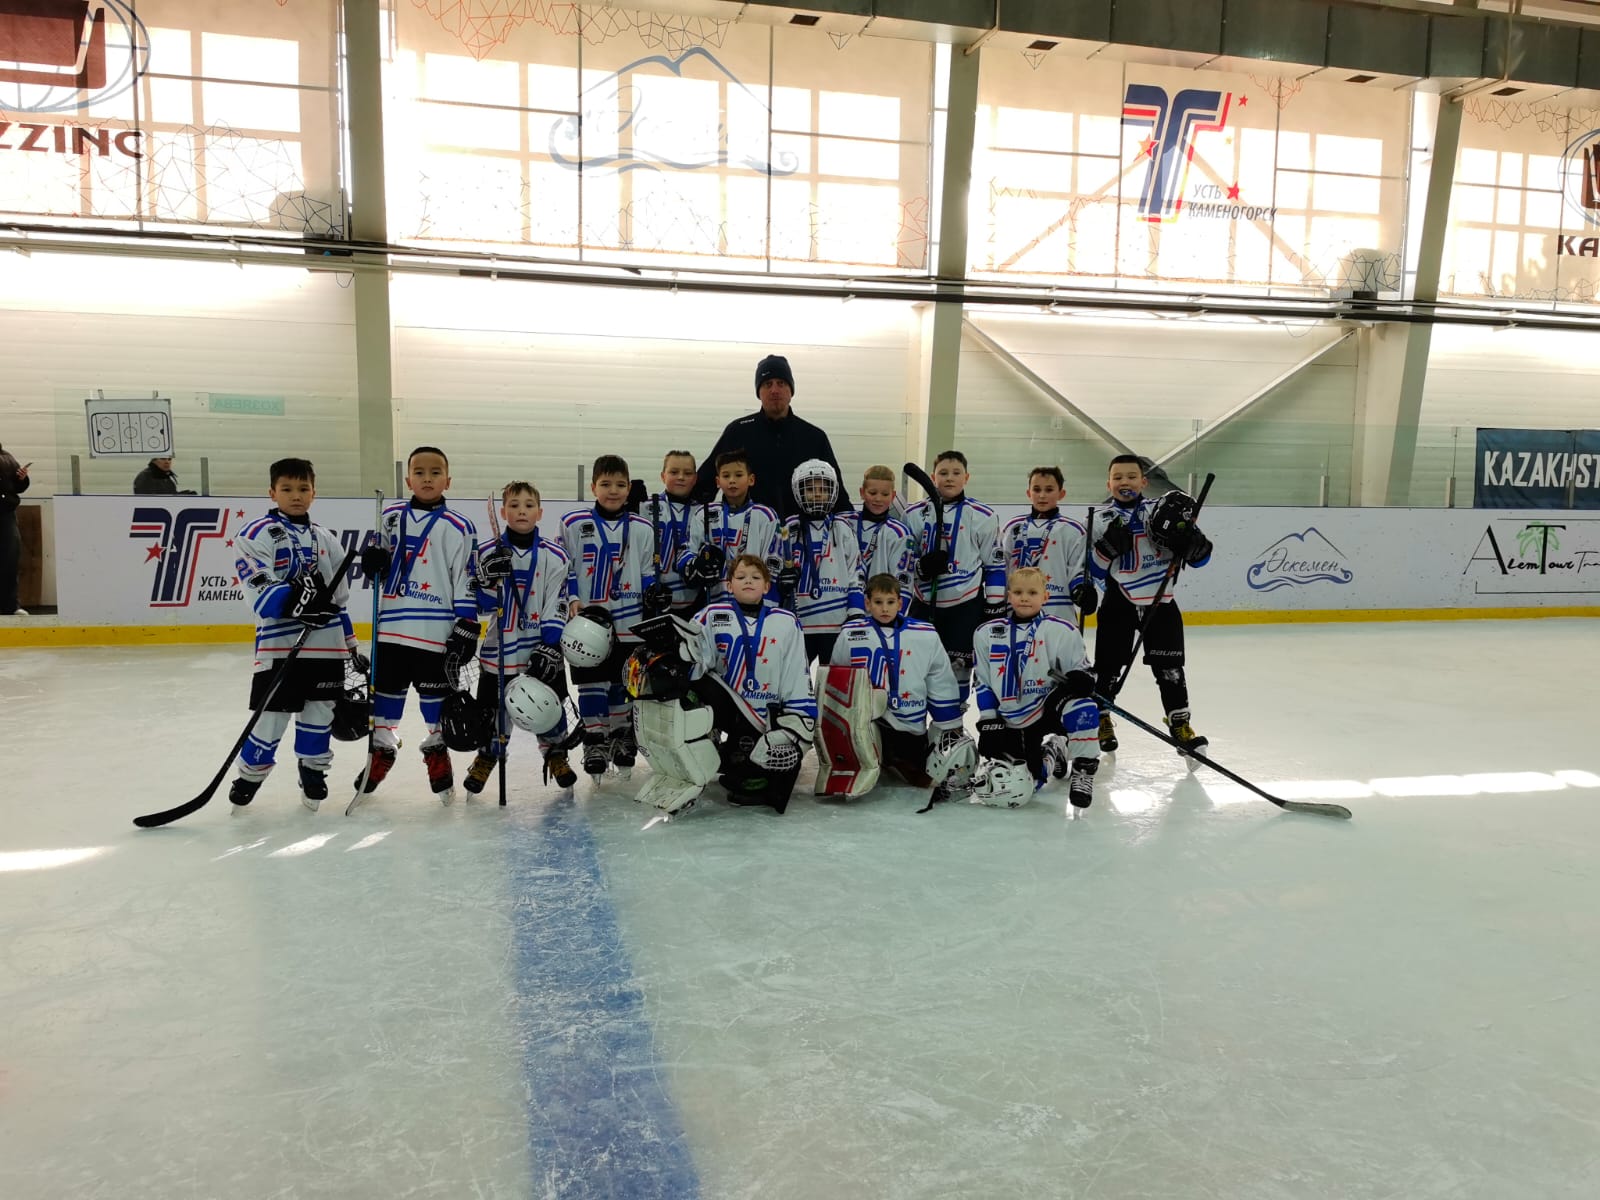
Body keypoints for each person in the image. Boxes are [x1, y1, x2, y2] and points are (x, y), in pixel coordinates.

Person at [229, 457, 362, 812]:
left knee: (320, 714)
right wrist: (300, 600)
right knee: (271, 716)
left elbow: (339, 600)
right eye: (287, 489)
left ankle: (312, 771)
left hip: (326, 646)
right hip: (279, 645)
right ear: (272, 492)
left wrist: (351, 646)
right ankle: (250, 775)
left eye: (303, 489)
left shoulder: (326, 539)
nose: (296, 495)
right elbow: (261, 593)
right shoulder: (254, 534)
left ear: (314, 493)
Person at [356, 446, 480, 802]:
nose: (427, 479)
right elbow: (376, 567)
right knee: (385, 700)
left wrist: (467, 624)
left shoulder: (459, 526)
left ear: (448, 480)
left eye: (435, 472)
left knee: (434, 702)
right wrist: (372, 562)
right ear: (408, 479)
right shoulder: (389, 517)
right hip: (391, 629)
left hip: (434, 631)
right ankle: (382, 750)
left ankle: (437, 752)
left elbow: (465, 578)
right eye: (420, 472)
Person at [1088, 454, 1213, 758]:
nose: (1125, 482)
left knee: (1170, 669)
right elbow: (1093, 570)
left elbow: (1201, 559)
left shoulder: (1165, 510)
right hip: (1118, 601)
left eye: (1132, 476)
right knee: (1107, 668)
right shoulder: (1098, 520)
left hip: (1162, 602)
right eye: (1118, 477)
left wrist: (1194, 547)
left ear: (1144, 482)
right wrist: (1106, 549)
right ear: (1108, 483)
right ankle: (1101, 718)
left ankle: (1180, 724)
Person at [464, 481, 577, 794]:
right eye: (514, 505)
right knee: (493, 711)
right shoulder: (487, 553)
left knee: (549, 705)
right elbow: (480, 604)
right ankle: (488, 755)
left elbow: (557, 600)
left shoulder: (555, 555)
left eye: (529, 505)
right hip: (500, 649)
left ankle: (556, 754)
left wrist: (550, 644)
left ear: (540, 512)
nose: (521, 511)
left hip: (539, 648)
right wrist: (487, 580)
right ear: (503, 512)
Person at [560, 454, 663, 779]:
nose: (613, 490)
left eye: (620, 484)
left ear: (629, 488)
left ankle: (620, 735)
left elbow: (647, 571)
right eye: (605, 484)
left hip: (629, 620)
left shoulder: (643, 527)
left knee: (622, 682)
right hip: (588, 623)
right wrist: (573, 598)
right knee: (592, 683)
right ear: (593, 487)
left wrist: (653, 594)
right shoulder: (573, 523)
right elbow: (567, 568)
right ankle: (595, 740)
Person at [969, 567, 1101, 817]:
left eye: (1032, 592)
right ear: (1009, 596)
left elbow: (1083, 671)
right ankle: (1053, 751)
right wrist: (988, 721)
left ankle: (1083, 770)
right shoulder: (986, 633)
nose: (1024, 598)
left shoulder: (1061, 630)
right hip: (1012, 715)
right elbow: (983, 682)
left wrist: (1083, 679)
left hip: (1050, 705)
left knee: (1084, 708)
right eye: (1018, 592)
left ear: (1045, 597)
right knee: (1026, 784)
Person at [690, 554, 817, 812]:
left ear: (767, 586)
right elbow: (695, 659)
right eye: (741, 577)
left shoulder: (786, 621)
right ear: (729, 585)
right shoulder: (711, 615)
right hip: (729, 705)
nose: (748, 581)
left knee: (756, 773)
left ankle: (742, 764)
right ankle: (706, 747)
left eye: (756, 577)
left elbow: (795, 672)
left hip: (767, 714)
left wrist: (798, 718)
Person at [829, 573, 969, 799]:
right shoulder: (851, 634)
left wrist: (949, 722)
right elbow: (837, 678)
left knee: (919, 774)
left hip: (909, 723)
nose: (884, 608)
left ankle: (890, 759)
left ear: (900, 604)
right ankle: (879, 758)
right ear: (867, 604)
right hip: (866, 720)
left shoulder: (924, 634)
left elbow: (939, 679)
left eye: (890, 602)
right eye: (878, 602)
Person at [692, 354, 852, 519]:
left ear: (791, 391)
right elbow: (705, 483)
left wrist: (850, 526)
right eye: (768, 384)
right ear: (759, 392)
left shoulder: (814, 437)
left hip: (801, 531)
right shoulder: (738, 431)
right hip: (747, 530)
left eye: (781, 383)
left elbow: (837, 494)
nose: (774, 390)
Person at [904, 450, 1001, 704]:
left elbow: (994, 565)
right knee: (916, 666)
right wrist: (921, 567)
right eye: (943, 473)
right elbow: (902, 563)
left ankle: (953, 722)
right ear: (933, 477)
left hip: (965, 607)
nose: (949, 478)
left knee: (959, 669)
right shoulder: (913, 514)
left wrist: (994, 607)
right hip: (924, 604)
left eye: (956, 473)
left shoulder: (983, 515)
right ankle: (917, 721)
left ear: (966, 477)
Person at [990, 465, 1098, 626]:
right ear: (1028, 493)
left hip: (1057, 611)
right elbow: (1001, 566)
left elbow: (1078, 568)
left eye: (1049, 490)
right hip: (1017, 609)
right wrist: (997, 600)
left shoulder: (1073, 530)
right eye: (1036, 489)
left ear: (1061, 493)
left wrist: (1081, 589)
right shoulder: (1013, 527)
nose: (1042, 495)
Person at [779, 459, 863, 665]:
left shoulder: (843, 528)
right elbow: (774, 569)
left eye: (823, 489)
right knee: (796, 679)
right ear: (798, 492)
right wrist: (781, 582)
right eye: (810, 489)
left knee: (834, 681)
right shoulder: (787, 529)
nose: (817, 494)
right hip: (799, 622)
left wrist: (856, 613)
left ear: (832, 492)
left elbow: (856, 573)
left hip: (836, 622)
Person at [684, 449, 782, 607]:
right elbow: (688, 552)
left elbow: (773, 563)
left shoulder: (766, 516)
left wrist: (767, 606)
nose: (732, 481)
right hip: (715, 603)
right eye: (726, 476)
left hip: (754, 603)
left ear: (751, 479)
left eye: (738, 475)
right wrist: (697, 565)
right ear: (718, 481)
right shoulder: (704, 514)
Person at [650, 450, 705, 619]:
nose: (681, 477)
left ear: (695, 478)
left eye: (687, 473)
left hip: (694, 602)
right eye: (674, 472)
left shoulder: (703, 512)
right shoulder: (647, 508)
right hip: (655, 600)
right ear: (663, 476)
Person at [854, 465, 914, 611]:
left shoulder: (900, 533)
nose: (878, 499)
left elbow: (903, 583)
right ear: (862, 492)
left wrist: (896, 617)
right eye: (872, 493)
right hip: (844, 610)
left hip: (880, 614)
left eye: (885, 494)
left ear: (893, 496)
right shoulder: (844, 523)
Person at [1, 444, 32, 616]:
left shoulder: (8, 458)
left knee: (9, 561)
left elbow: (18, 487)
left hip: (6, 514)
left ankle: (11, 606)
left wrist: (22, 478)